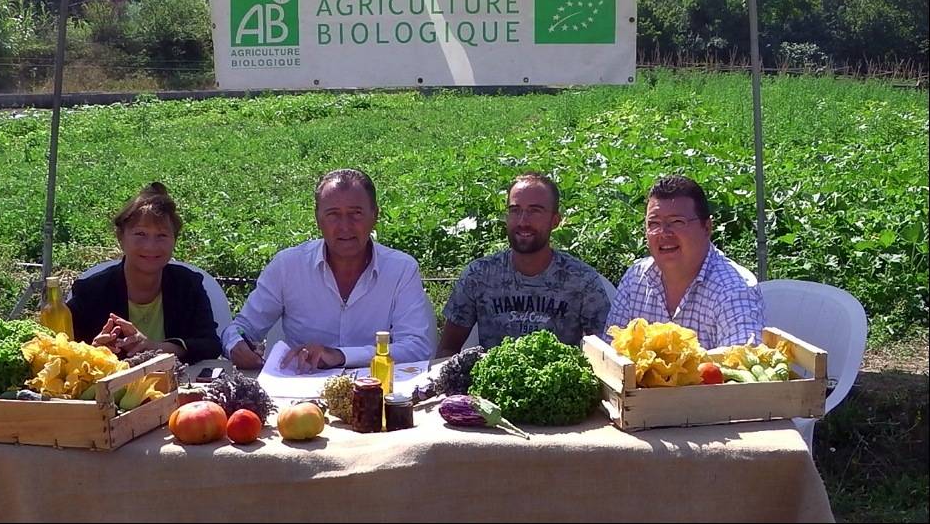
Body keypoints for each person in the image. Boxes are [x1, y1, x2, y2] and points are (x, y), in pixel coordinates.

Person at [223, 169, 435, 372]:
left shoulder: (401, 270)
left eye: (356, 214)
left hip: (374, 392)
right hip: (299, 395)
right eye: (333, 215)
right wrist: (236, 344)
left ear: (375, 216)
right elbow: (241, 328)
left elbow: (416, 348)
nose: (345, 226)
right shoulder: (287, 266)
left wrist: (339, 356)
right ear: (318, 219)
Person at [436, 172, 611, 357]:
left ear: (555, 221)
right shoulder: (479, 275)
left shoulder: (582, 281)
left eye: (535, 211)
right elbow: (447, 349)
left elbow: (607, 356)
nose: (523, 221)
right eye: (515, 210)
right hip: (489, 384)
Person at [67, 182, 221, 364]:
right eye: (140, 234)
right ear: (121, 238)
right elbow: (65, 350)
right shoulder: (90, 292)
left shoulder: (188, 285)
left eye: (162, 235)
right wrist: (93, 351)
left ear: (174, 240)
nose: (150, 246)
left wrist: (153, 347)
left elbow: (210, 344)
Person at [606, 175, 765, 349]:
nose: (664, 233)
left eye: (677, 222)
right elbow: (609, 353)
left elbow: (741, 364)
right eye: (654, 223)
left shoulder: (734, 289)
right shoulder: (635, 279)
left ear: (707, 228)